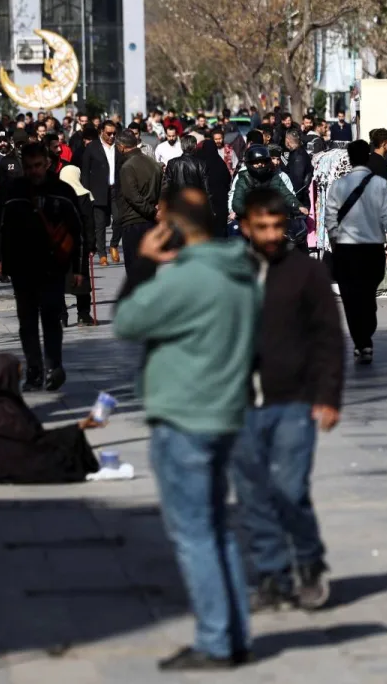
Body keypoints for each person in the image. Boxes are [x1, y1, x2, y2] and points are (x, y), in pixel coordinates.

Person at [112, 188, 261, 671]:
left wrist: (145, 264)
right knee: (217, 528)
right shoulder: (242, 273)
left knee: (194, 533)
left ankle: (216, 639)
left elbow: (128, 320)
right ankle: (234, 632)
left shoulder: (186, 279)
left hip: (184, 418)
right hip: (226, 414)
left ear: (173, 227)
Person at [233, 188, 345, 610]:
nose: (271, 234)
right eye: (261, 226)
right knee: (252, 495)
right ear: (245, 226)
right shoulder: (232, 272)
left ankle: (309, 563)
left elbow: (328, 338)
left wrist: (328, 395)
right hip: (240, 405)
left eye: (277, 226)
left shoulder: (306, 273)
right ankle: (272, 576)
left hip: (293, 401)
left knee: (289, 488)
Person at [0, 142, 86, 392]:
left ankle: (54, 366)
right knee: (27, 321)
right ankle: (34, 370)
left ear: (47, 163)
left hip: (53, 265)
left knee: (51, 317)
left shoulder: (62, 191)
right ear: (23, 166)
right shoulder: (11, 191)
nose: (34, 171)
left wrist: (79, 269)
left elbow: (78, 231)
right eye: (29, 167)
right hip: (21, 266)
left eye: (38, 165)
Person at [0, 354, 102, 483]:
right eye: (18, 374)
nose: (19, 378)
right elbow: (35, 441)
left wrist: (79, 426)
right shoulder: (8, 408)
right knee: (66, 453)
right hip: (14, 466)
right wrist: (75, 430)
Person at [324, 141, 387, 364]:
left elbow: (330, 220)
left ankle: (361, 342)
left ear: (349, 158)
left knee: (350, 298)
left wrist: (335, 244)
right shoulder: (381, 185)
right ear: (367, 157)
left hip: (346, 250)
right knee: (367, 296)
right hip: (372, 249)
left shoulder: (337, 185)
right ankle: (365, 337)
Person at [114, 130, 162, 286]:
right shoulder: (152, 163)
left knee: (136, 271)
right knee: (150, 269)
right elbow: (165, 188)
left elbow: (132, 196)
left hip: (134, 221)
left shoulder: (127, 167)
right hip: (151, 221)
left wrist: (153, 212)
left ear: (121, 147)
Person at [57, 164, 98, 326]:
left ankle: (61, 316)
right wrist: (91, 245)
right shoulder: (84, 196)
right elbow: (89, 223)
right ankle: (83, 315)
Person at [81, 120, 121, 266]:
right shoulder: (92, 148)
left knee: (118, 219)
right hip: (98, 191)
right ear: (101, 132)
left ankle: (114, 245)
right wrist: (86, 191)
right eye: (108, 133)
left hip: (116, 190)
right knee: (100, 224)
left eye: (114, 133)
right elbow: (85, 172)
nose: (111, 136)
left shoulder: (119, 147)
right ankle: (102, 254)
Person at [229, 144, 301, 222]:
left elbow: (286, 193)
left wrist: (298, 206)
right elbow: (236, 201)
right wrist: (249, 211)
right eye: (256, 162)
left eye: (262, 161)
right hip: (250, 220)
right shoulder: (243, 179)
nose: (260, 164)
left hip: (271, 218)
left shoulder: (274, 177)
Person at [281, 128, 312, 205]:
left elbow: (297, 182)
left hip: (297, 201)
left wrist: (294, 202)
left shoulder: (299, 157)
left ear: (287, 140)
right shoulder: (295, 153)